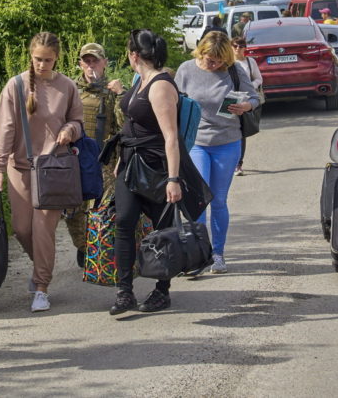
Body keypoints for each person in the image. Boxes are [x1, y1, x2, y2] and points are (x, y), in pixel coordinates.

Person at [0, 32, 83, 313]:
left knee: (43, 229)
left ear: (57, 58)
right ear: (30, 56)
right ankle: (42, 267)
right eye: (37, 59)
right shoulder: (16, 85)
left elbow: (77, 121)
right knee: (21, 229)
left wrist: (70, 130)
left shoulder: (66, 86)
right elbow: (4, 129)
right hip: (19, 167)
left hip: (53, 167)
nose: (42, 65)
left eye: (48, 60)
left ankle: (41, 286)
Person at [109, 29, 183, 315]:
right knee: (124, 222)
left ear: (134, 55)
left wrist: (174, 179)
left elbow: (171, 137)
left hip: (156, 168)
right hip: (130, 164)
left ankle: (161, 291)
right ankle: (124, 292)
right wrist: (122, 157)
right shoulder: (140, 80)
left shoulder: (161, 85)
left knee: (162, 231)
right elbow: (132, 122)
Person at [175, 31, 259, 274]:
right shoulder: (186, 70)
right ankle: (199, 254)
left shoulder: (233, 71)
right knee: (199, 201)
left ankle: (218, 254)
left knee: (219, 200)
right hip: (197, 142)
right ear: (201, 52)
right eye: (210, 59)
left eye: (219, 61)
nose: (214, 65)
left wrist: (246, 106)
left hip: (227, 142)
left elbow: (255, 97)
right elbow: (174, 100)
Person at [64, 43, 125, 268]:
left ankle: (102, 247)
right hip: (77, 159)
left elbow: (124, 125)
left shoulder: (113, 90)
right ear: (80, 63)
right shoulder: (71, 91)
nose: (91, 66)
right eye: (87, 61)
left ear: (105, 63)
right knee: (74, 209)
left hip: (104, 159)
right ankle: (84, 246)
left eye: (95, 61)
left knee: (104, 207)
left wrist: (121, 95)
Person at [231, 36, 263, 177]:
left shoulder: (250, 62)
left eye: (241, 46)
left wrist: (251, 87)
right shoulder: (227, 63)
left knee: (241, 133)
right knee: (228, 131)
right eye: (235, 46)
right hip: (231, 99)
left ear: (245, 48)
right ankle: (228, 162)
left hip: (246, 101)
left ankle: (238, 164)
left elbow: (258, 78)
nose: (238, 48)